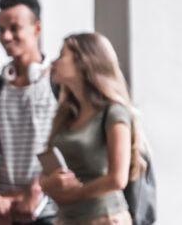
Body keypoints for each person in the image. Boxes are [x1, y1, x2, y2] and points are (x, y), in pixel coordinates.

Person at [40, 33, 147, 225]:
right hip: (66, 220)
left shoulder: (114, 112)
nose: (54, 62)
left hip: (104, 219)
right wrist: (48, 184)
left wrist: (75, 193)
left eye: (61, 54)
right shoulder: (66, 114)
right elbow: (47, 169)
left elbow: (117, 179)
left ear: (83, 62)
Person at [0, 0, 58, 225]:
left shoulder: (59, 84)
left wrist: (36, 191)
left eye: (14, 28)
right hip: (4, 213)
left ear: (36, 28)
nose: (6, 36)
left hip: (50, 210)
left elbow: (66, 145)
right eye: (1, 30)